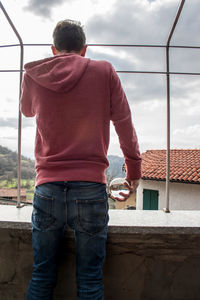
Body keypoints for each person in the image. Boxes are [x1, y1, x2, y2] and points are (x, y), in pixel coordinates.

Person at [20, 19, 141, 300]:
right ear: (84, 49)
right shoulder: (104, 71)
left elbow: (27, 111)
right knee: (89, 280)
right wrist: (133, 168)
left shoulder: (34, 74)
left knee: (41, 276)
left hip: (47, 187)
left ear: (53, 49)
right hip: (90, 188)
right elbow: (124, 123)